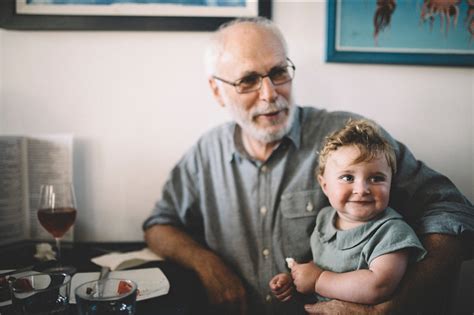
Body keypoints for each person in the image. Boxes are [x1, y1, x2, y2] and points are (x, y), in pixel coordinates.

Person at [143, 17, 474, 315]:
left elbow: (454, 212)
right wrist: (206, 264)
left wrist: (398, 303)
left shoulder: (351, 141)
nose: (270, 94)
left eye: (278, 72)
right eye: (247, 80)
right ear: (217, 91)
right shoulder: (206, 153)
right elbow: (159, 224)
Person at [269, 119, 427, 305]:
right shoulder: (324, 220)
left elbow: (378, 286)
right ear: (325, 185)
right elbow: (320, 264)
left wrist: (318, 281)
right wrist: (296, 278)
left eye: (376, 178)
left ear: (391, 184)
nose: (362, 189)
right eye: (347, 177)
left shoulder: (392, 232)